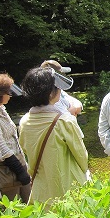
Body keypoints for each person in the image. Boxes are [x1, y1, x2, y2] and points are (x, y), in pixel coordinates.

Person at [19, 67, 88, 204]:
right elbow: (82, 157)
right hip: (68, 186)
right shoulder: (64, 121)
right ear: (51, 93)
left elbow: (26, 151)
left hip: (42, 188)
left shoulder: (24, 122)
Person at [0, 73, 31, 202]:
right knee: (14, 208)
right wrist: (20, 171)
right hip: (7, 168)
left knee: (32, 203)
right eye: (8, 92)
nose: (10, 95)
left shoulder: (0, 108)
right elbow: (0, 147)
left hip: (18, 161)